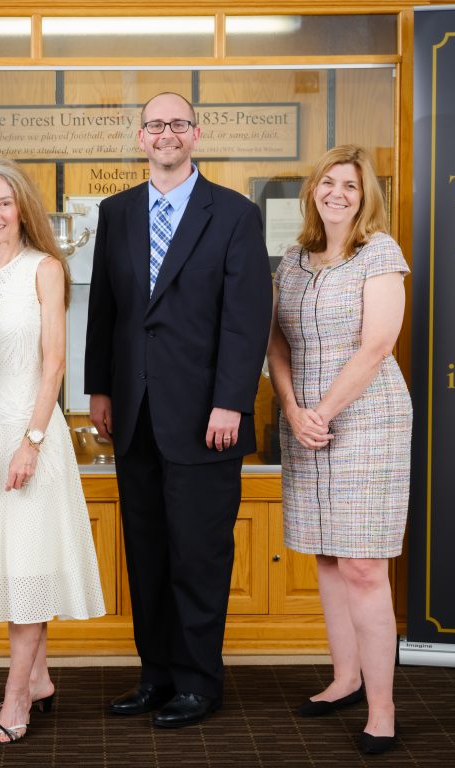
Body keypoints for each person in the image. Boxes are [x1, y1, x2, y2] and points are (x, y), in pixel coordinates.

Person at [84, 92, 272, 729]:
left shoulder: (236, 214)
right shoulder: (117, 212)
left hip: (205, 421)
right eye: (155, 124)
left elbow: (247, 323)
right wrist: (100, 390)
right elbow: (105, 310)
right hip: (134, 414)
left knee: (198, 555)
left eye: (177, 124)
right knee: (148, 555)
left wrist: (231, 403)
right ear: (141, 137)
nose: (166, 133)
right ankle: (156, 676)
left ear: (197, 133)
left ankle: (199, 681)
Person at [0, 159, 106, 745]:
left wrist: (31, 440)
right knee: (7, 562)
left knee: (27, 560)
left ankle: (15, 696)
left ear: (22, 208)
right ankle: (37, 680)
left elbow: (54, 362)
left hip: (28, 430)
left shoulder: (46, 269)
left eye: (3, 202)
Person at [266, 144, 411, 756]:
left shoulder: (380, 252)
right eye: (328, 183)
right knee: (325, 555)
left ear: (364, 196)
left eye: (350, 186)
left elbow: (378, 344)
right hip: (305, 422)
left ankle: (383, 709)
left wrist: (321, 412)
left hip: (366, 421)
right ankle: (345, 679)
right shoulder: (294, 260)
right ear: (313, 192)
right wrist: (293, 409)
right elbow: (272, 339)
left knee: (362, 565)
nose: (337, 194)